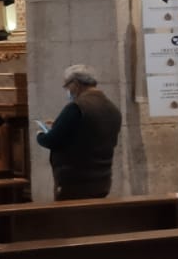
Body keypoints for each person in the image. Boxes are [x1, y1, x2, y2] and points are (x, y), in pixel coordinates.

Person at [37, 65, 122, 200]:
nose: (67, 90)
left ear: (75, 84)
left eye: (67, 86)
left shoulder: (76, 107)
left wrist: (40, 135)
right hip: (102, 180)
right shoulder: (112, 108)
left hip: (75, 182)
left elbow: (52, 140)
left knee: (71, 214)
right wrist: (59, 125)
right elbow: (89, 132)